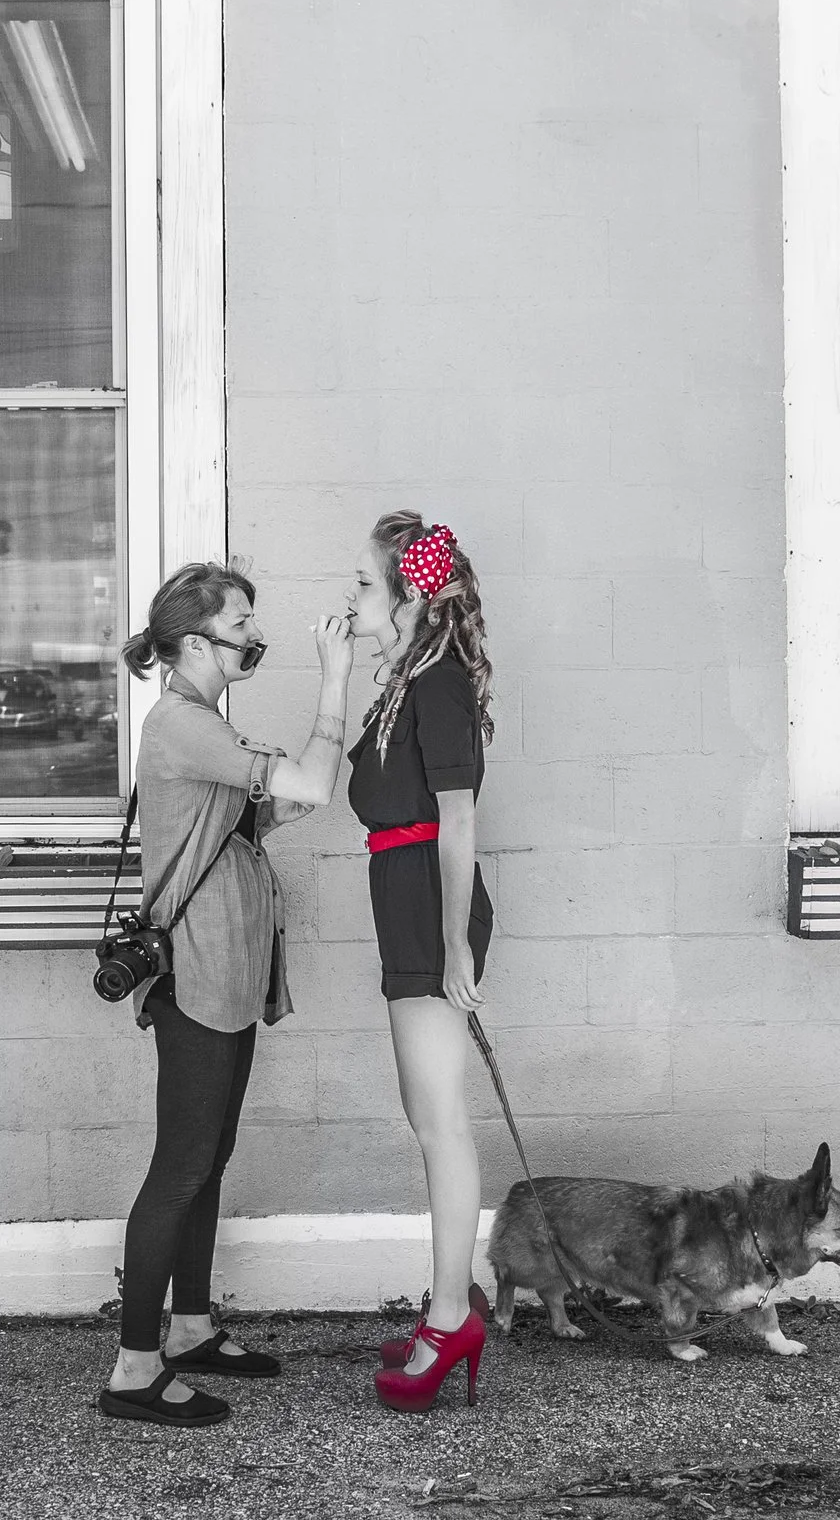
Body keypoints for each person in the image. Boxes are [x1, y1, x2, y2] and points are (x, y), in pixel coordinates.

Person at [96, 562, 355, 1428]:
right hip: (199, 978)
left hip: (231, 975)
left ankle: (192, 1324)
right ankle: (135, 1368)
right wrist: (336, 682)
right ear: (198, 639)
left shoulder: (206, 723)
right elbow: (314, 782)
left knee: (208, 1158)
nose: (254, 632)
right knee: (179, 1167)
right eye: (242, 619)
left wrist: (275, 800)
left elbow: (266, 811)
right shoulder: (180, 723)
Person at [345, 514, 498, 1412]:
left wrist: (451, 946)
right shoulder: (406, 680)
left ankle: (449, 1316)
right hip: (403, 903)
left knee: (442, 1120)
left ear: (408, 593)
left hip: (430, 913)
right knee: (425, 1113)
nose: (351, 598)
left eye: (363, 583)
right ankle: (448, 1304)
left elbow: (461, 820)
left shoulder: (437, 681)